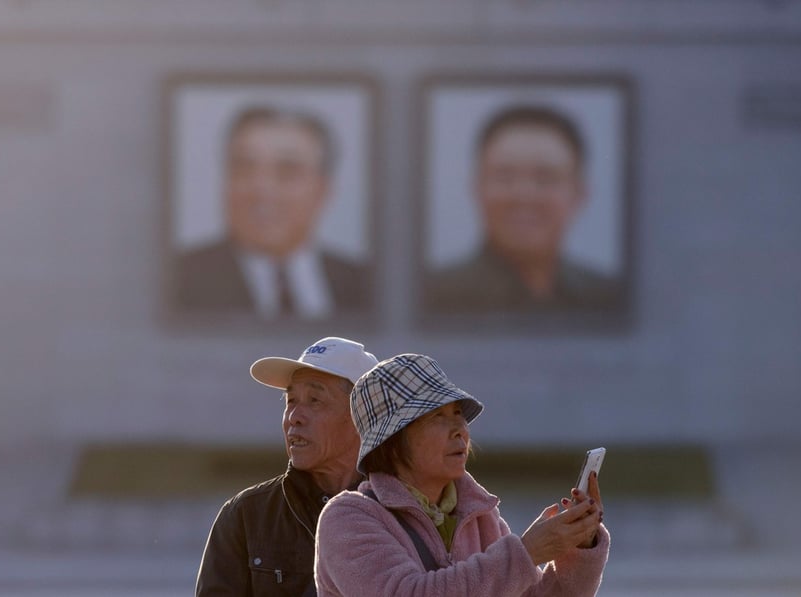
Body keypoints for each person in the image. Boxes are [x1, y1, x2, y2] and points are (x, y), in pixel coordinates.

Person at [315, 354, 608, 596]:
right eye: (437, 416)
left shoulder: (480, 516)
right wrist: (526, 552)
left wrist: (579, 544)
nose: (460, 429)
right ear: (391, 443)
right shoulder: (347, 519)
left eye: (458, 414)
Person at [195, 337, 379, 596]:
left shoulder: (406, 510)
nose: (294, 417)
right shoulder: (245, 516)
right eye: (291, 401)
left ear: (363, 415)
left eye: (315, 400)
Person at [174, 105, 371, 320]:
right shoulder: (176, 279)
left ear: (322, 190)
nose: (261, 189)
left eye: (287, 171)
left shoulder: (365, 283)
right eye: (244, 169)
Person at [425, 105, 620, 313]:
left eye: (545, 178)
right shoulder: (430, 296)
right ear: (476, 188)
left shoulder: (609, 297)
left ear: (580, 194)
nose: (524, 195)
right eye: (505, 176)